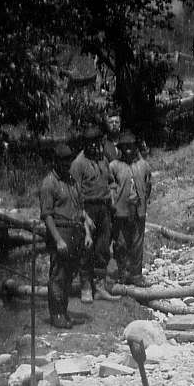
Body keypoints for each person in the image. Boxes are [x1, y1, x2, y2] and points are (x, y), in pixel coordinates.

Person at [39, 143, 90, 329]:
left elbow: (80, 208)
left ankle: (64, 311)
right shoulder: (49, 183)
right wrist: (58, 240)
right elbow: (47, 215)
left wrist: (87, 231)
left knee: (69, 276)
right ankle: (56, 315)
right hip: (59, 232)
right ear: (55, 161)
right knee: (58, 276)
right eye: (62, 161)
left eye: (68, 160)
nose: (66, 164)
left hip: (75, 232)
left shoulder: (72, 181)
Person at [70, 126, 117, 301]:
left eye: (96, 142)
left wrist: (112, 195)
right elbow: (73, 192)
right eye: (89, 143)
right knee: (86, 248)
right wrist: (83, 216)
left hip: (104, 208)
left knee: (103, 248)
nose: (93, 146)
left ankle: (99, 286)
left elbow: (111, 181)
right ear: (85, 143)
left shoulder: (103, 159)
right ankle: (85, 287)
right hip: (87, 209)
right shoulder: (78, 163)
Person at [108, 131, 153, 287]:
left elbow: (148, 186)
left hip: (138, 208)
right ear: (120, 148)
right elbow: (110, 187)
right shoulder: (114, 166)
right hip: (120, 211)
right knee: (121, 242)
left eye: (131, 146)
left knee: (137, 242)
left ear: (136, 147)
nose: (128, 149)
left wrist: (143, 201)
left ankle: (136, 275)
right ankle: (122, 273)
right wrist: (114, 205)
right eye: (124, 146)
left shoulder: (143, 166)